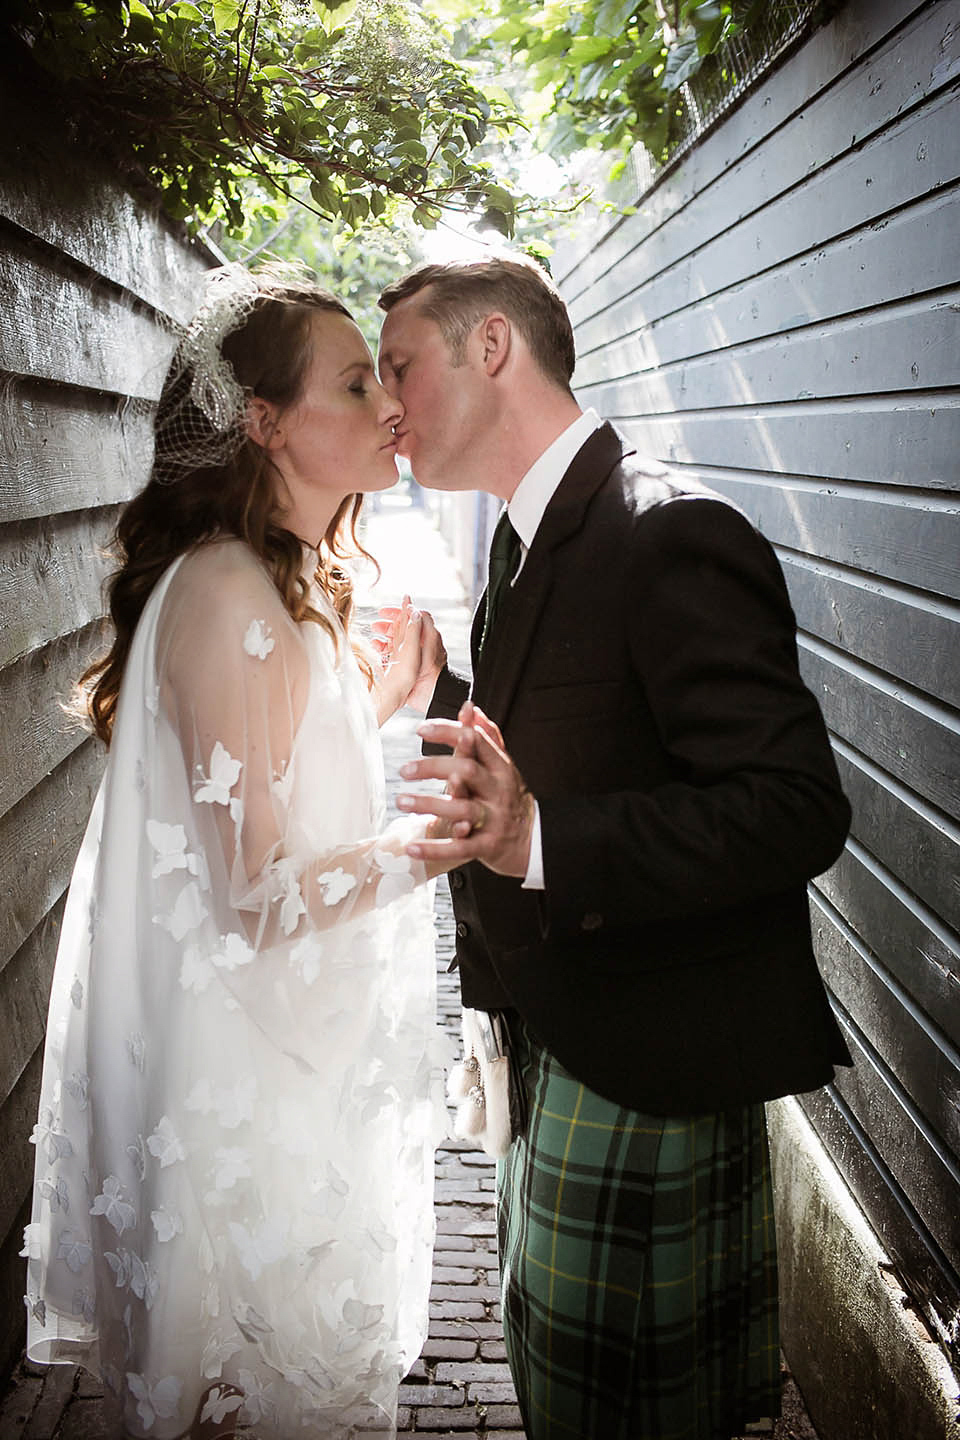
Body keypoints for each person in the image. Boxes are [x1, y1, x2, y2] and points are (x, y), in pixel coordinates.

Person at [375, 256, 853, 1440]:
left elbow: (796, 804)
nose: (388, 406)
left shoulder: (669, 528)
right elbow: (592, 731)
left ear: (492, 348)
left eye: (400, 368)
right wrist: (442, 686)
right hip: (556, 1037)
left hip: (649, 1058)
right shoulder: (519, 536)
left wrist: (541, 835)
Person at [23, 265, 457, 1440]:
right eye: (357, 382)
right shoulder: (226, 594)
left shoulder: (260, 578)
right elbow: (256, 900)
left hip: (267, 1058)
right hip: (240, 1100)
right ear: (263, 423)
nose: (390, 407)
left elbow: (258, 800)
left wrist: (369, 708)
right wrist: (442, 838)